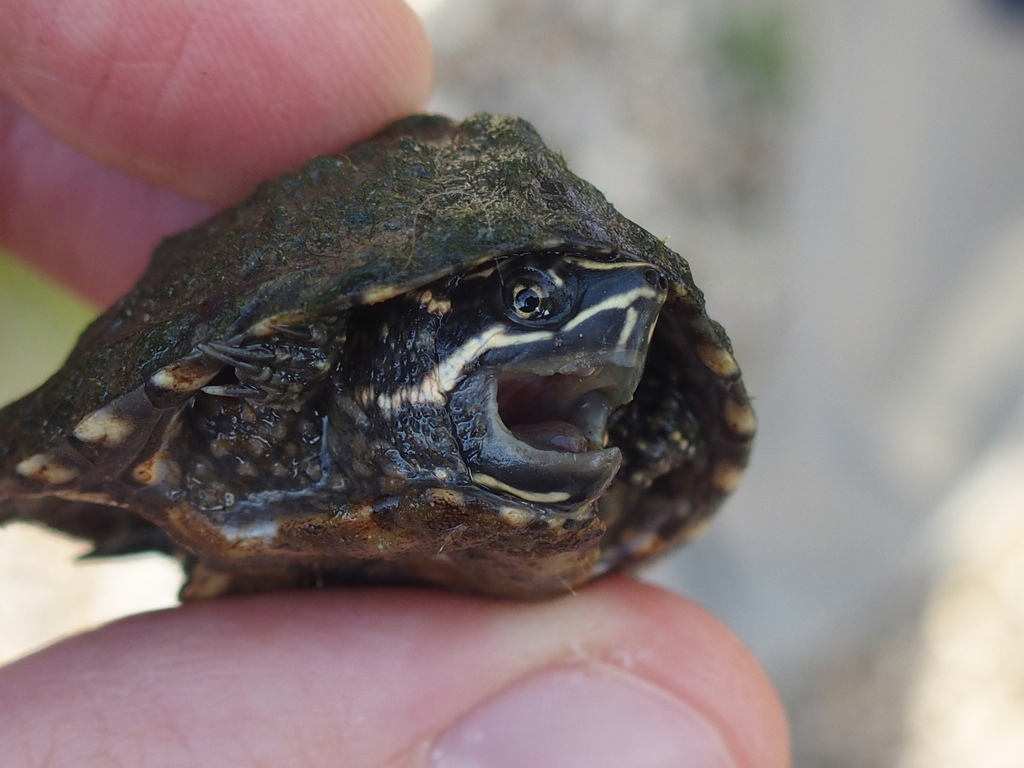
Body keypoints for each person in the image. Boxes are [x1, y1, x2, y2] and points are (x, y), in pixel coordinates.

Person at [0, 2, 789, 765]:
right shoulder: (284, 394)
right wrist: (278, 346)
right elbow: (255, 355)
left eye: (638, 335)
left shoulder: (588, 452)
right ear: (423, 332)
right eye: (532, 304)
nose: (619, 326)